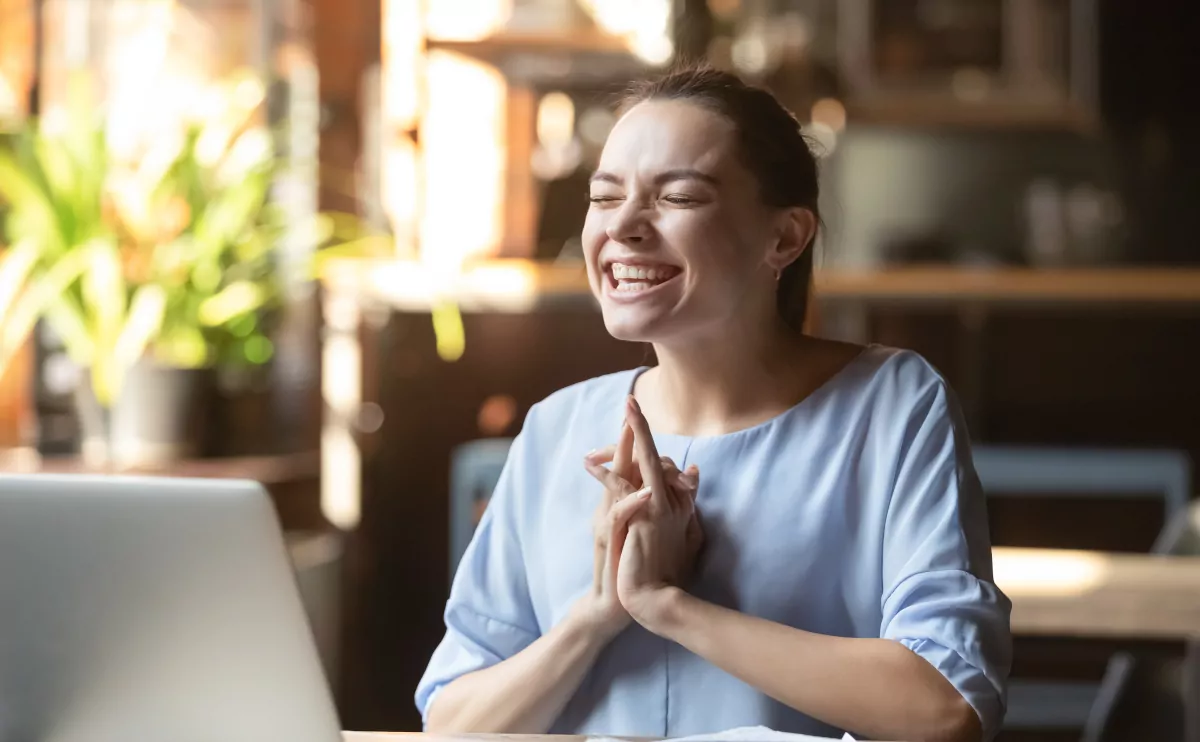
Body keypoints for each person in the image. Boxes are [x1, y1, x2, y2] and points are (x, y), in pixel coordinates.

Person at [415, 66, 1011, 742]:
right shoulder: (558, 427)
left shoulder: (891, 406)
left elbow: (945, 708)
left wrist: (669, 607)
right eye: (605, 198)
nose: (625, 228)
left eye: (678, 197)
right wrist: (598, 615)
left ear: (784, 237)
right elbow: (452, 724)